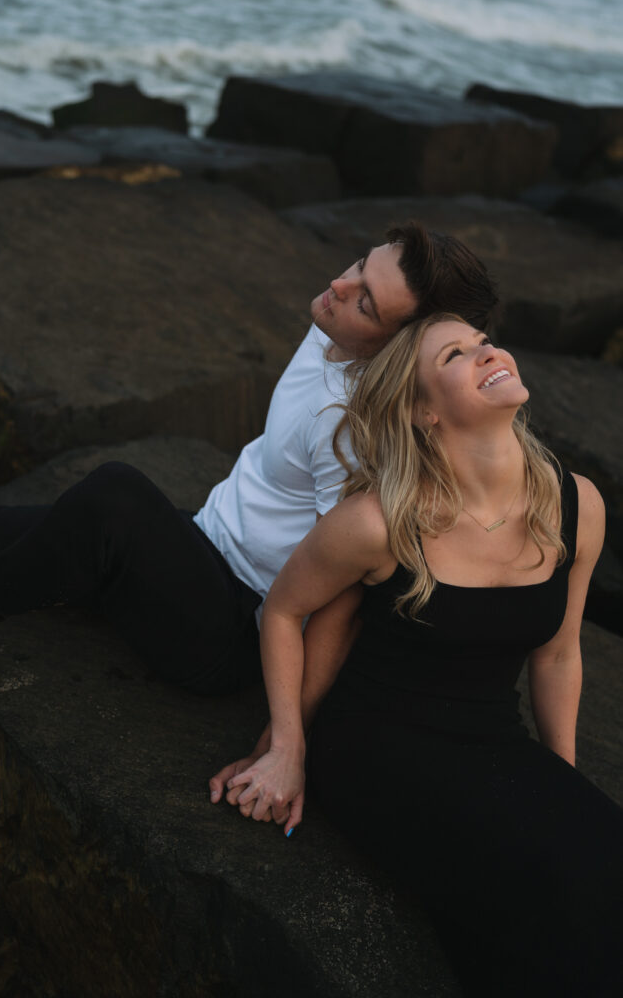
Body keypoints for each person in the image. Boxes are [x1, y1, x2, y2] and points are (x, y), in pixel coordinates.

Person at [0, 224, 497, 701]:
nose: (341, 286)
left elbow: (344, 592)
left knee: (112, 496)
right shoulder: (333, 326)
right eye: (360, 266)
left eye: (366, 303)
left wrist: (288, 735)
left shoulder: (356, 431)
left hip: (228, 627)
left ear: (399, 351)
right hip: (202, 540)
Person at [220, 312, 623, 996]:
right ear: (423, 412)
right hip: (378, 748)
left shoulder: (575, 504)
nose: (486, 352)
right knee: (548, 893)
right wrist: (286, 747)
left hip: (492, 739)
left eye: (484, 341)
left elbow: (556, 654)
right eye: (456, 356)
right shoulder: (378, 521)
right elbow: (286, 611)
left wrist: (562, 787)